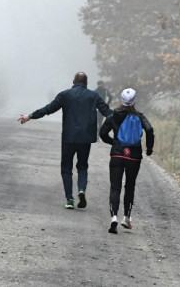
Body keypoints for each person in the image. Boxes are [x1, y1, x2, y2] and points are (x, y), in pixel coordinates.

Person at [19, 71, 112, 209]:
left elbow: (48, 109)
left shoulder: (65, 95)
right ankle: (81, 189)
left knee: (66, 168)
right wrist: (126, 119)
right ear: (86, 83)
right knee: (82, 166)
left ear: (73, 82)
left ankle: (69, 199)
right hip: (85, 138)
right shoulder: (94, 96)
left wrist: (30, 116)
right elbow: (108, 113)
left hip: (69, 137)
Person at [99, 87, 154, 234]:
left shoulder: (113, 115)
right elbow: (149, 130)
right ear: (135, 101)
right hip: (134, 157)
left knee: (115, 187)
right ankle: (126, 218)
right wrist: (149, 149)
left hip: (117, 155)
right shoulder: (140, 116)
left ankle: (113, 218)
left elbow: (102, 133)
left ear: (121, 99)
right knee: (130, 186)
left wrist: (113, 143)